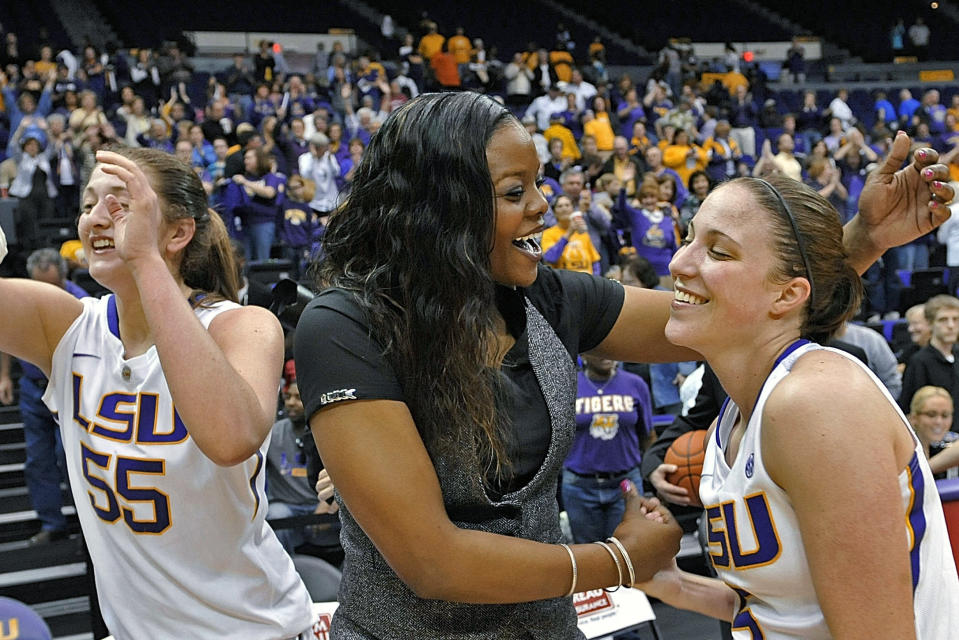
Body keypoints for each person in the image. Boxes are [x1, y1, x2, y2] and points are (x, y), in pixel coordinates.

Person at [293, 91, 952, 639]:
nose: (542, 206)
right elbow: (430, 561)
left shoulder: (547, 297)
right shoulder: (345, 327)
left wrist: (862, 240)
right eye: (514, 191)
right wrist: (614, 560)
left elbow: (732, 308)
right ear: (440, 209)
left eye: (540, 183)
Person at [0, 147, 314, 638]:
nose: (96, 219)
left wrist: (145, 261)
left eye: (121, 204)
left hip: (254, 630)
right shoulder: (64, 326)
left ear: (178, 232)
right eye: (88, 205)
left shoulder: (244, 326)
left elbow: (230, 438)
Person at [636, 171, 959, 638]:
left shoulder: (817, 403)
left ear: (788, 294)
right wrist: (676, 586)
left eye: (718, 251)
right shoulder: (733, 415)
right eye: (687, 239)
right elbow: (783, 610)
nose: (679, 263)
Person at [0, 249, 88, 545]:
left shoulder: (80, 302)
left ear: (64, 278)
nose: (47, 294)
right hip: (32, 386)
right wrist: (3, 376)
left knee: (71, 458)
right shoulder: (23, 296)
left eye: (54, 286)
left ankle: (90, 526)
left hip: (70, 384)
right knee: (38, 459)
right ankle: (52, 524)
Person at [562, 353, 652, 544]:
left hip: (626, 483)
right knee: (588, 557)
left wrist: (652, 474)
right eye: (600, 349)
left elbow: (648, 436)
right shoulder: (567, 385)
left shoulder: (636, 384)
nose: (607, 354)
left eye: (612, 349)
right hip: (579, 486)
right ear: (584, 353)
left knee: (630, 550)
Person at [266, 360, 341, 557]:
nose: (290, 402)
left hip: (318, 505)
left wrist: (331, 500)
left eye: (298, 398)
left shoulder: (325, 433)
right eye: (287, 397)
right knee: (276, 514)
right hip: (286, 507)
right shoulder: (272, 434)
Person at [900, 294, 959, 433]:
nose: (951, 325)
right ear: (930, 323)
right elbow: (910, 409)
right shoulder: (919, 361)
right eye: (943, 320)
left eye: (956, 319)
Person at [541, 195, 601, 275]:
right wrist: (569, 233)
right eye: (560, 206)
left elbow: (595, 261)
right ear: (554, 213)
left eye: (567, 205)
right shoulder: (548, 234)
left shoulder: (582, 233)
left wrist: (595, 281)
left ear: (573, 209)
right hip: (565, 281)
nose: (564, 208)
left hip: (587, 281)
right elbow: (550, 258)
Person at [907, 386, 958, 478]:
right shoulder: (904, 446)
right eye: (931, 415)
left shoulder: (953, 441)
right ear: (913, 418)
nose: (939, 422)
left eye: (945, 415)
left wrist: (926, 469)